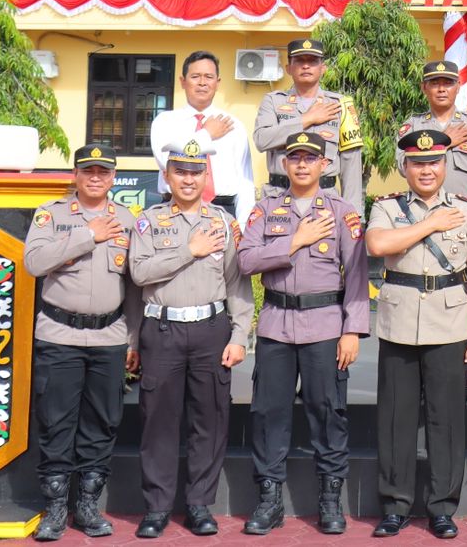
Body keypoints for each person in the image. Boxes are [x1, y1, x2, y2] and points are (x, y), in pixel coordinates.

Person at [236, 129, 369, 536]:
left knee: (329, 414)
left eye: (310, 158)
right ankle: (269, 500)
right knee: (267, 414)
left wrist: (353, 330)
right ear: (284, 163)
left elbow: (357, 274)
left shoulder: (342, 212)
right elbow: (246, 260)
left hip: (325, 325)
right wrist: (294, 242)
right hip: (277, 324)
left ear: (324, 164)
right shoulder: (266, 209)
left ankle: (330, 500)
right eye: (294, 157)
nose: (302, 164)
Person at [365, 130, 467, 538]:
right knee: (395, 419)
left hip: (450, 324)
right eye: (418, 163)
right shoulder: (386, 207)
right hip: (399, 324)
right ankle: (395, 505)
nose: (426, 170)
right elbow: (377, 245)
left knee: (447, 420)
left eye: (434, 162)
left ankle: (442, 507)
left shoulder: (465, 210)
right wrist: (429, 224)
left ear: (444, 166)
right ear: (405, 167)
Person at [129, 140, 254, 539]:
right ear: (167, 176)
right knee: (158, 421)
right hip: (162, 331)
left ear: (205, 177)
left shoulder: (222, 222)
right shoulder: (148, 222)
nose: (188, 179)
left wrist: (240, 335)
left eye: (196, 172)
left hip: (210, 331)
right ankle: (157, 507)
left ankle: (200, 504)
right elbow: (139, 273)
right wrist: (189, 250)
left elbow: (238, 284)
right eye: (180, 171)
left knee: (210, 420)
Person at [23, 143, 139, 542]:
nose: (95, 177)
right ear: (75, 174)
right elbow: (34, 263)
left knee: (102, 422)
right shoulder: (51, 215)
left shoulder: (127, 219)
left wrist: (133, 339)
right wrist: (89, 235)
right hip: (60, 334)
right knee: (56, 421)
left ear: (113, 177)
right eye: (88, 170)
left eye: (103, 171)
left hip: (109, 336)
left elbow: (134, 288)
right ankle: (55, 508)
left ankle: (88, 505)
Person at [254, 38, 366, 213]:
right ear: (288, 68)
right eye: (299, 61)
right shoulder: (273, 101)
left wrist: (354, 214)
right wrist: (306, 119)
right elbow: (261, 140)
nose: (306, 66)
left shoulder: (341, 105)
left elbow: (351, 165)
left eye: (312, 61)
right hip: (278, 198)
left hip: (326, 201)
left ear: (323, 68)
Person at [149, 51, 257, 221]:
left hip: (224, 211)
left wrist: (243, 225)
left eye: (209, 77)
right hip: (174, 211)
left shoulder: (233, 125)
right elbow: (168, 162)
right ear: (183, 81)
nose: (202, 83)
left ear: (217, 82)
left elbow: (245, 181)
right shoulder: (165, 121)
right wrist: (207, 134)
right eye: (195, 76)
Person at [396, 60, 467, 232]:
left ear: (458, 87)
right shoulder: (412, 126)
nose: (441, 89)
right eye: (434, 83)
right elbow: (402, 166)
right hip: (422, 218)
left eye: (448, 83)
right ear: (424, 87)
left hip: (463, 217)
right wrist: (444, 142)